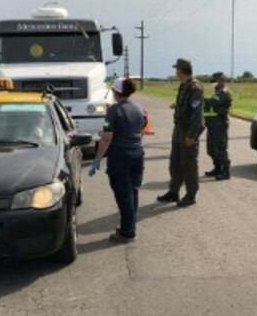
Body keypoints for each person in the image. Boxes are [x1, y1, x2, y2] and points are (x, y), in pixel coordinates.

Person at [89, 77, 146, 243]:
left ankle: (128, 232)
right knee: (133, 191)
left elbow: (106, 138)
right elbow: (140, 127)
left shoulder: (113, 110)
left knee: (123, 194)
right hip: (137, 154)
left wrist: (97, 159)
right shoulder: (138, 107)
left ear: (116, 92)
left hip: (121, 156)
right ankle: (130, 225)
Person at [157, 58, 204, 207]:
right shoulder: (183, 86)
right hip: (179, 130)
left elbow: (197, 114)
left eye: (177, 69)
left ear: (182, 70)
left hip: (188, 131)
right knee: (175, 163)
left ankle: (191, 195)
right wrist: (177, 106)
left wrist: (191, 135)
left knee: (189, 164)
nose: (175, 72)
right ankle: (173, 192)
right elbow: (186, 105)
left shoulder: (195, 87)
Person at [203, 72, 233, 180]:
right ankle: (217, 168)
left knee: (220, 148)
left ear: (221, 81)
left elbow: (211, 102)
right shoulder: (217, 92)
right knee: (211, 149)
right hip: (212, 125)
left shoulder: (223, 93)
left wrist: (202, 98)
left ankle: (225, 171)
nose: (213, 84)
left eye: (215, 82)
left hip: (220, 125)